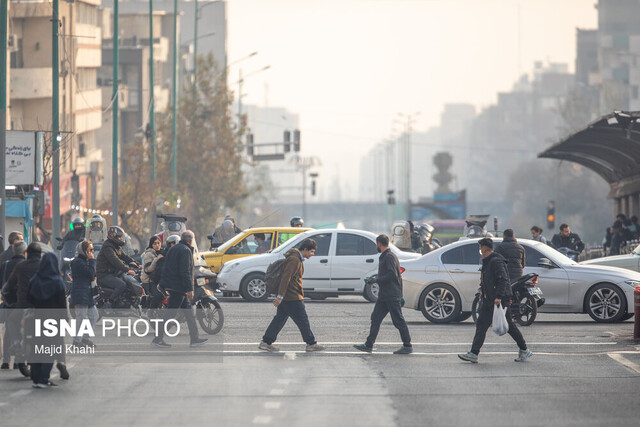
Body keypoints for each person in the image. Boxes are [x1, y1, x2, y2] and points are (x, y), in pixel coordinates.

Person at [458, 238, 532, 364]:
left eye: (480, 248)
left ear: (485, 248)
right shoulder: (488, 261)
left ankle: (524, 349)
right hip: (489, 300)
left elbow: (503, 280)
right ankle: (474, 353)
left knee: (508, 326)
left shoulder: (495, 261)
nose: (480, 250)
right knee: (483, 325)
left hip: (498, 300)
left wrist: (499, 297)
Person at [259, 238, 324, 352]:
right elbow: (286, 278)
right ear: (305, 249)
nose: (312, 254)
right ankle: (311, 343)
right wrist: (280, 297)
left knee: (279, 320)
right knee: (303, 321)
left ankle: (266, 342)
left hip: (288, 297)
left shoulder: (295, 258)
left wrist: (281, 296)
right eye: (311, 251)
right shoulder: (294, 260)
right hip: (292, 297)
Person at [354, 234, 413, 354]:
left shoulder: (389, 257)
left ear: (379, 244)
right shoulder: (387, 256)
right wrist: (375, 278)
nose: (377, 246)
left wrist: (377, 280)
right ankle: (368, 344)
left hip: (391, 295)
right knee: (375, 318)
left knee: (398, 320)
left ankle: (407, 345)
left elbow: (393, 275)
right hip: (385, 295)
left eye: (377, 244)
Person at [151, 231, 207, 348]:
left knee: (189, 313)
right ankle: (158, 338)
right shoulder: (185, 251)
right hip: (179, 288)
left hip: (173, 285)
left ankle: (194, 339)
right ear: (191, 241)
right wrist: (189, 289)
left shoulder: (173, 249)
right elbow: (185, 271)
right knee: (170, 314)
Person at [27, 252, 68, 388]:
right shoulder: (58, 281)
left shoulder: (35, 280)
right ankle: (44, 378)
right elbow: (62, 304)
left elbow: (29, 298)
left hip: (37, 318)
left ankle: (36, 377)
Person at [0, 241, 29, 375]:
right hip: (23, 304)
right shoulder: (26, 266)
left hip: (8, 304)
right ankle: (19, 360)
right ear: (25, 252)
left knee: (8, 331)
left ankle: (6, 361)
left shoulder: (4, 265)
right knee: (24, 330)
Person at [96, 226, 137, 308]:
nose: (120, 238)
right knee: (121, 285)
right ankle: (109, 303)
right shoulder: (108, 247)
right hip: (104, 275)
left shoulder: (116, 246)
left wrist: (137, 264)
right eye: (118, 237)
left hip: (113, 274)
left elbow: (125, 256)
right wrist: (128, 270)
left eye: (120, 237)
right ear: (112, 236)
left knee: (128, 283)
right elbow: (115, 261)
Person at [70, 241, 98, 348]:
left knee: (94, 315)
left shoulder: (86, 261)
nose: (92, 252)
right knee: (81, 317)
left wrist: (90, 261)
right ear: (83, 250)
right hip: (80, 292)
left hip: (88, 292)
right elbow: (91, 273)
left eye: (92, 250)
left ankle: (85, 338)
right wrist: (91, 261)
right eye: (90, 250)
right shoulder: (78, 262)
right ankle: (76, 341)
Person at [147, 235, 179, 310]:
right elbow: (149, 270)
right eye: (173, 243)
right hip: (156, 280)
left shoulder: (178, 253)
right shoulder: (162, 254)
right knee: (159, 295)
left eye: (158, 243)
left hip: (171, 279)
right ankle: (150, 312)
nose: (157, 245)